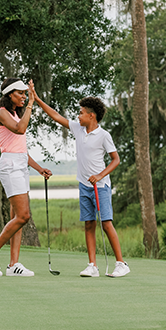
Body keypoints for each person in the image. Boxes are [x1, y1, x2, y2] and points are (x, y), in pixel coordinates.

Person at [32, 93, 131, 278]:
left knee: (106, 223)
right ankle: (92, 265)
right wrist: (37, 100)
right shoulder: (78, 128)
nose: (78, 116)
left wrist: (100, 175)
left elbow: (116, 160)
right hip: (84, 186)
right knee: (88, 224)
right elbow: (55, 116)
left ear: (91, 116)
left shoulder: (103, 135)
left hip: (100, 186)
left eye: (81, 113)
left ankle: (121, 263)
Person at [0, 78, 53, 277]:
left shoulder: (13, 114)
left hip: (19, 164)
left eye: (25, 93)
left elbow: (21, 150)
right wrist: (30, 104)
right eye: (20, 93)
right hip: (10, 166)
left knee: (17, 218)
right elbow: (20, 129)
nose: (23, 96)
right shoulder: (2, 113)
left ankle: (13, 265)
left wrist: (39, 168)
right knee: (23, 216)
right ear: (9, 94)